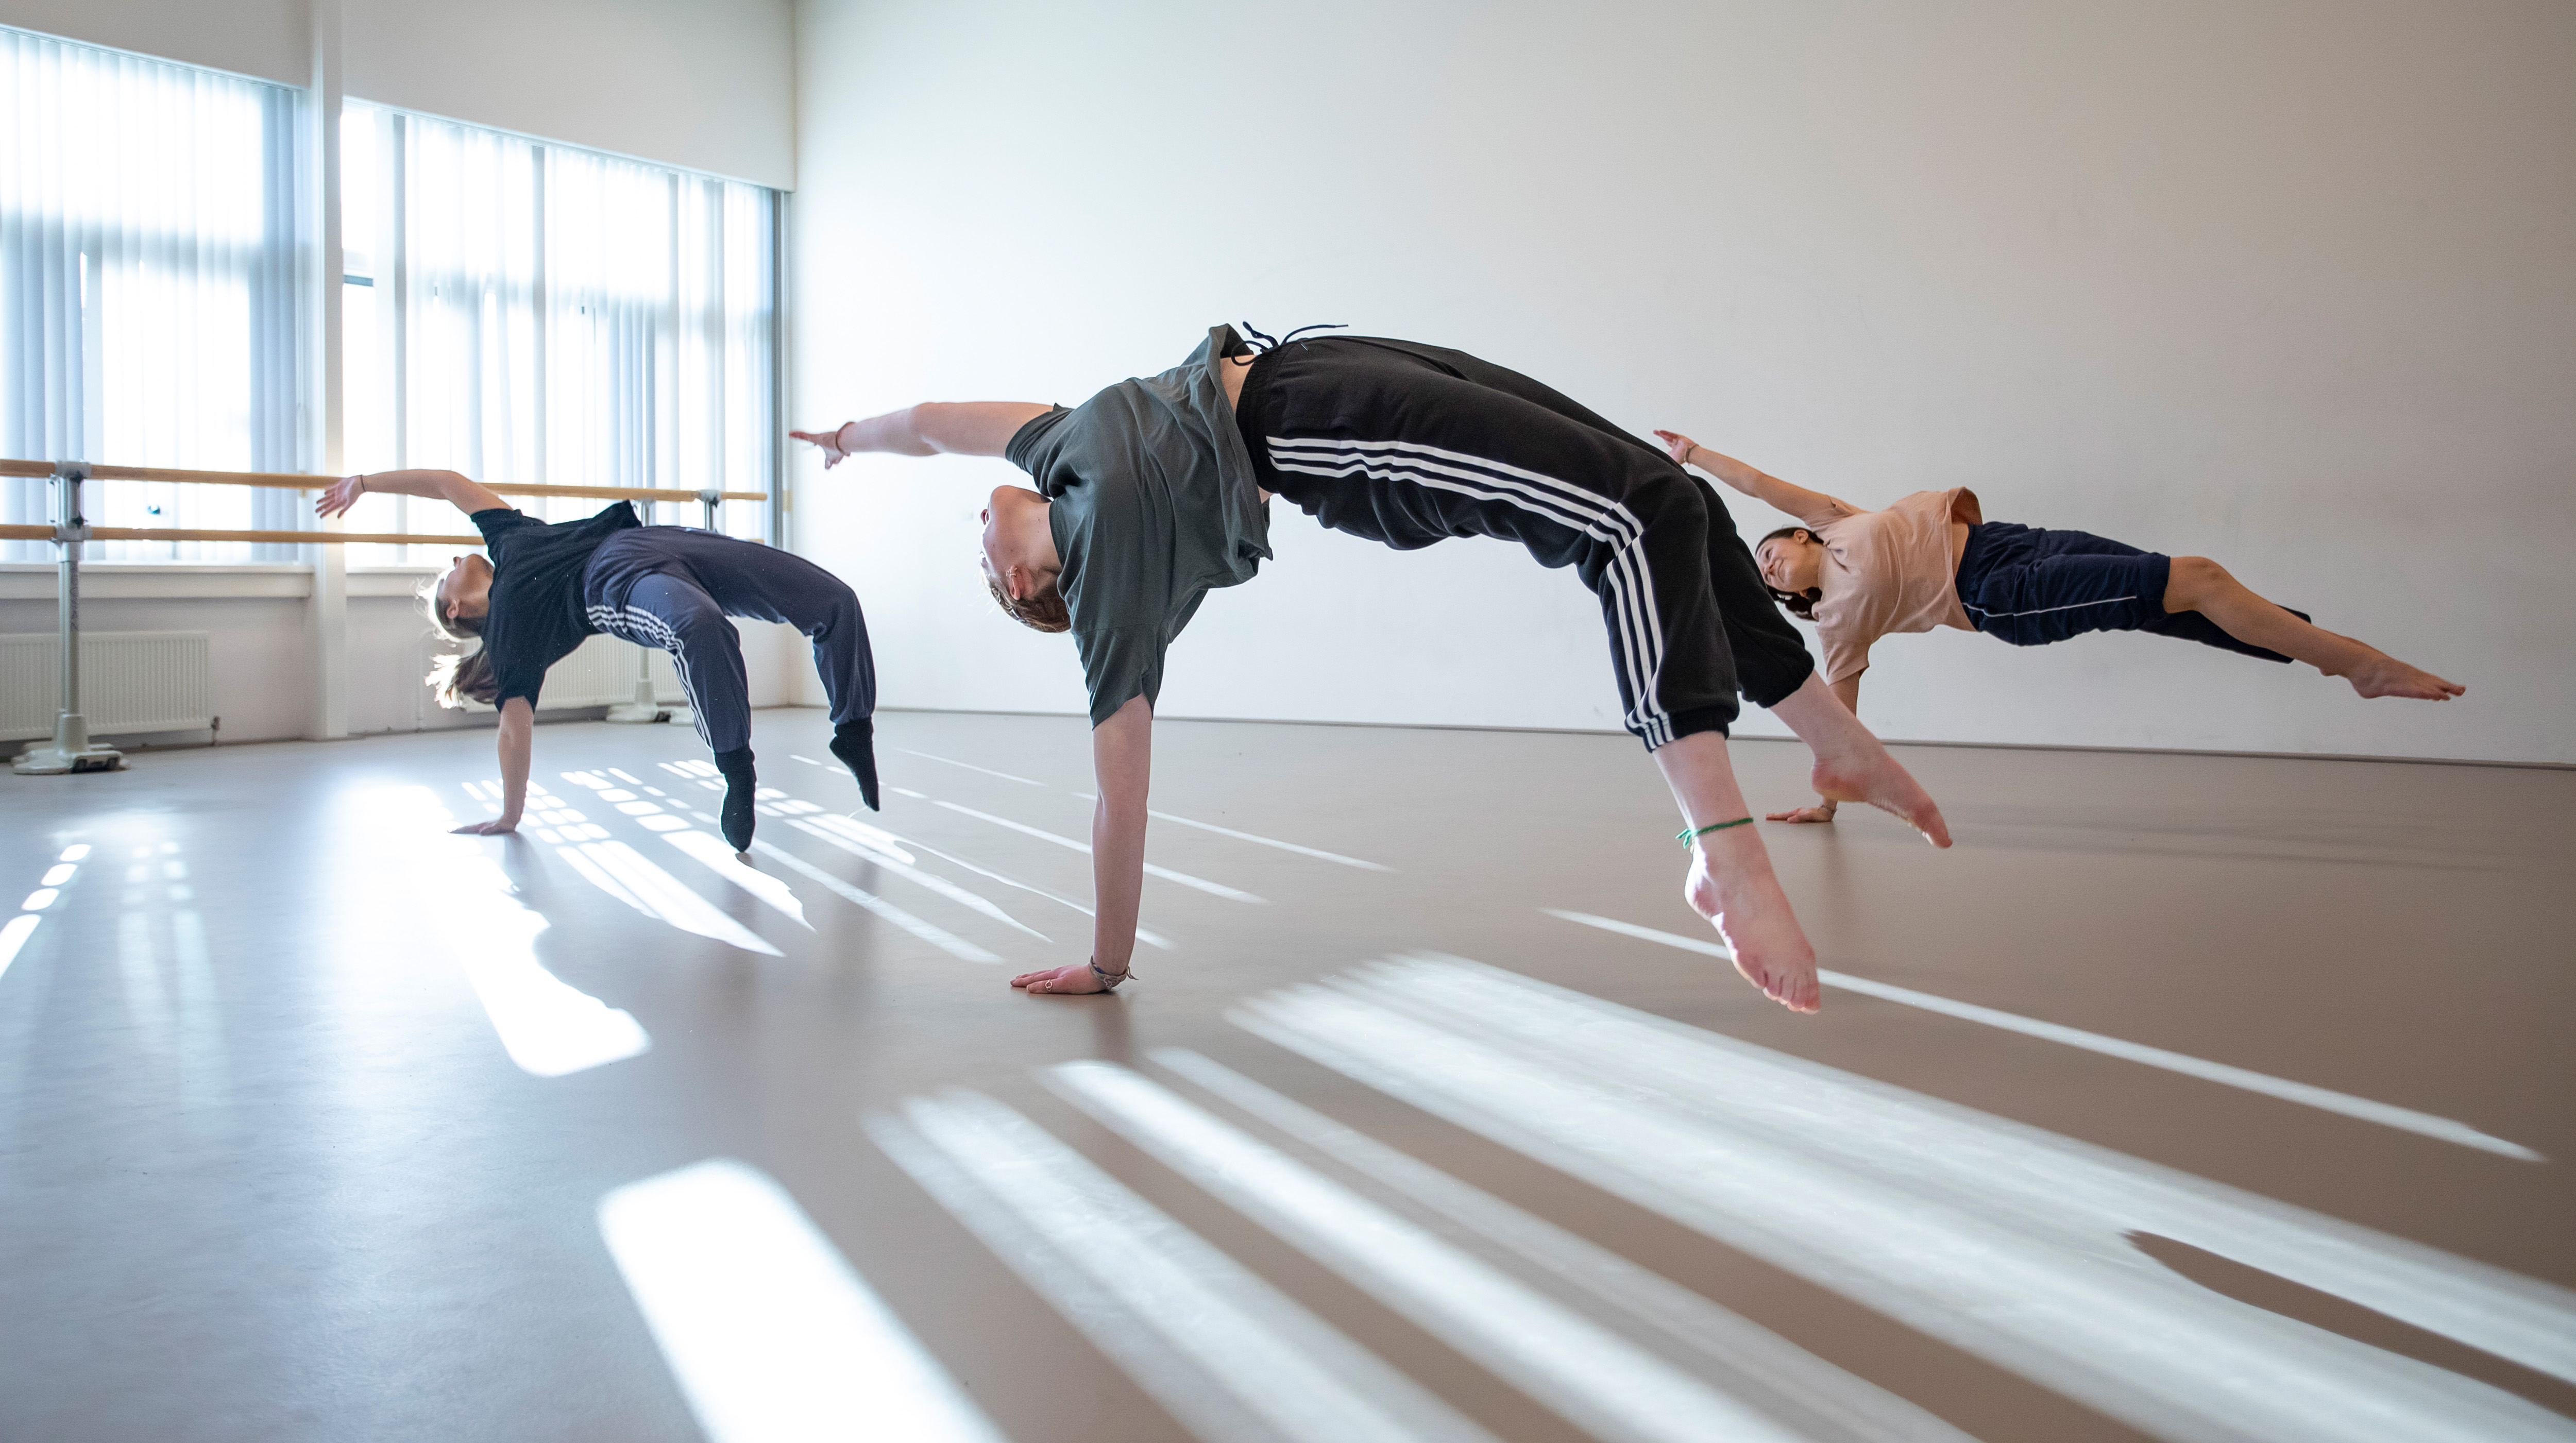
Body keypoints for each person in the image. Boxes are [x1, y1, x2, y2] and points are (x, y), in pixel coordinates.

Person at [793, 326, 1952, 1013]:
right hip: (1313, 436)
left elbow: (939, 422)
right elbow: (1119, 793)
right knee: (1627, 511)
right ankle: (1720, 849)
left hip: (1312, 362)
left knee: (1683, 500)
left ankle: (1823, 731)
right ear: (1022, 587)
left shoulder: (1053, 449)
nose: (973, 525)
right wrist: (1107, 959)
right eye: (979, 559)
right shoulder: (1109, 593)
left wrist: (850, 436)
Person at [1653, 431, 2465, 825]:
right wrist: (1828, 804)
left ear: (1799, 536)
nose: (1767, 561)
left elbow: (1760, 483)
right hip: (2002, 596)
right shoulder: (1836, 624)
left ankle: (2298, 641)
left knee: (2178, 601)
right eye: (1762, 571)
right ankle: (2357, 665)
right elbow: (1839, 722)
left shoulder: (1836, 522)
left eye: (1770, 548)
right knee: (2197, 578)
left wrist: (1697, 456)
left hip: (2013, 541)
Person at [314, 469, 880, 851]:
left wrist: (364, 483)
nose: (458, 555)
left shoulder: (508, 537)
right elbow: (515, 728)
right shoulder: (511, 638)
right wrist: (511, 813)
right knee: (701, 626)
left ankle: (851, 728)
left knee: (833, 598)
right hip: (614, 582)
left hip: (660, 541)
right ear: (457, 606)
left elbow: (444, 482)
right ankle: (737, 770)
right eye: (447, 573)